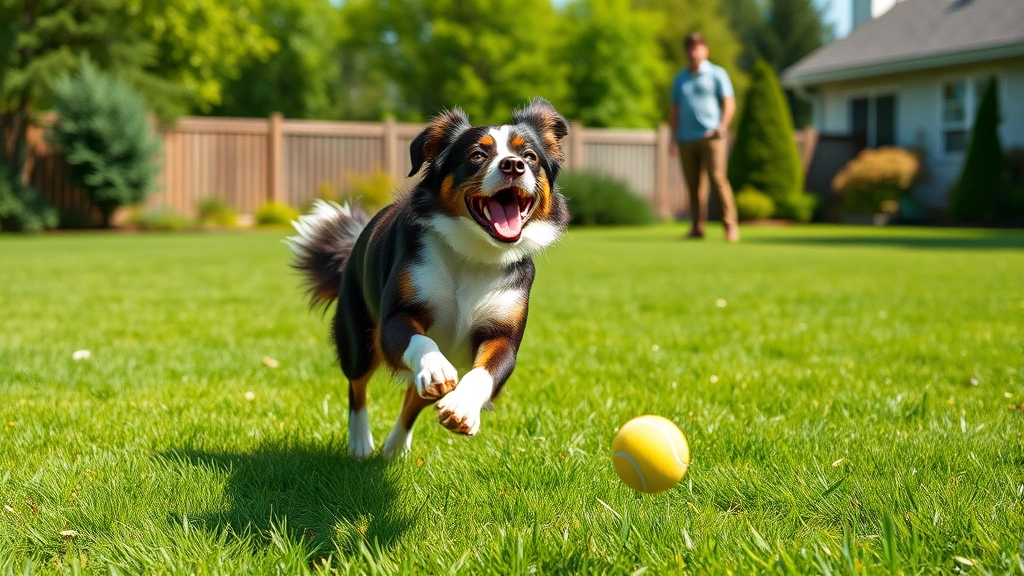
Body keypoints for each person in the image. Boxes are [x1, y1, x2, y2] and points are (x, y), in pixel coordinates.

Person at [670, 32, 739, 242]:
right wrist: (672, 138)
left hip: (711, 137)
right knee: (693, 186)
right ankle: (697, 227)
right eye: (690, 47)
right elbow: (674, 110)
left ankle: (730, 225)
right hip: (686, 138)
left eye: (697, 47)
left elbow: (729, 103)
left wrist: (722, 126)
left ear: (705, 50)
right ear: (686, 52)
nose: (693, 51)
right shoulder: (680, 79)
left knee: (718, 180)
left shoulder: (717, 74)